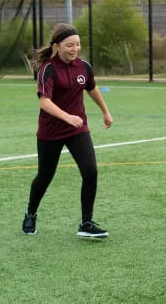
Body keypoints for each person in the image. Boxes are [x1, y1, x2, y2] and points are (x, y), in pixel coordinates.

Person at [21, 23, 113, 238]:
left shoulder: (84, 67)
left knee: (90, 171)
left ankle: (86, 223)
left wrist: (105, 112)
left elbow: (92, 88)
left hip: (77, 129)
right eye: (70, 45)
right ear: (57, 46)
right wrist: (66, 116)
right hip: (51, 131)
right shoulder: (48, 69)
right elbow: (45, 102)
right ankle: (31, 213)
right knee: (45, 176)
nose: (75, 49)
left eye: (78, 44)